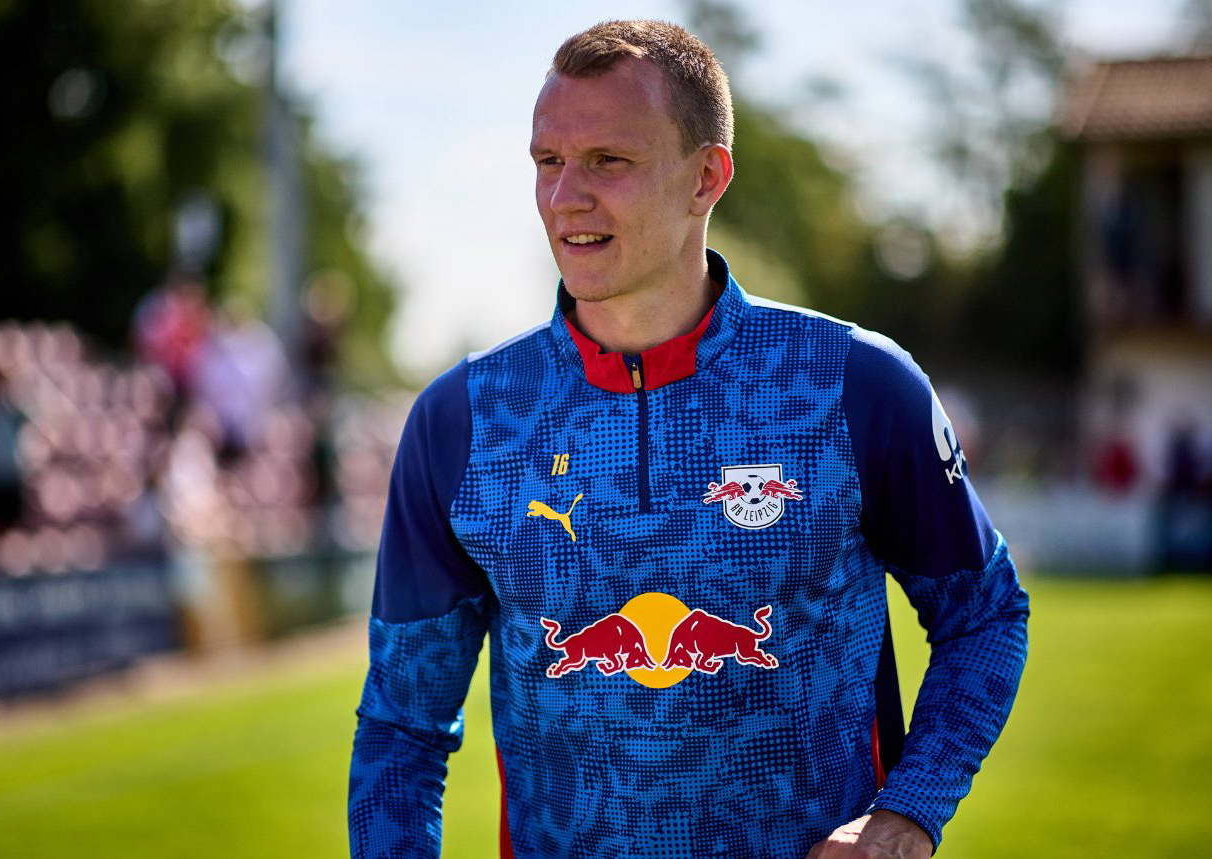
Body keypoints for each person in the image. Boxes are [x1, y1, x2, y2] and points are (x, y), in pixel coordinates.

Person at [348, 20, 1028, 859]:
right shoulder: (463, 421)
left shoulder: (852, 384)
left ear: (706, 176)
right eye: (548, 161)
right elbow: (402, 724)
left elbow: (985, 614)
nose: (564, 198)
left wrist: (908, 813)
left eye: (609, 160)